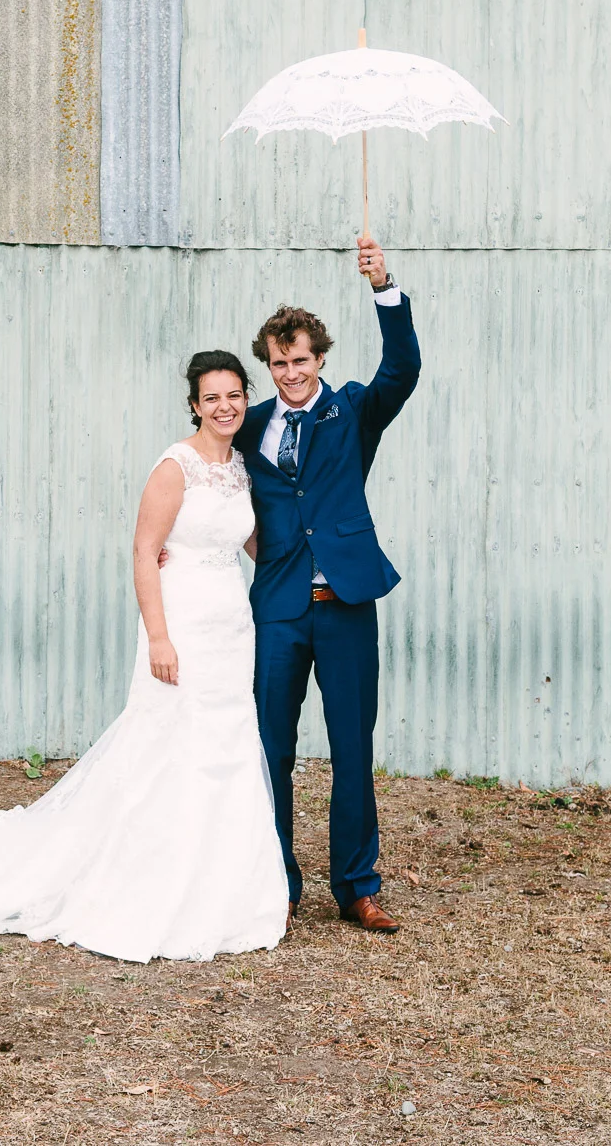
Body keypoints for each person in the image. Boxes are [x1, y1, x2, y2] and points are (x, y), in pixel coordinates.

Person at [0, 353, 288, 963]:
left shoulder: (240, 468)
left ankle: (223, 888)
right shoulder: (174, 467)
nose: (225, 407)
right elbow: (143, 550)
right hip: (180, 625)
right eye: (212, 398)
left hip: (231, 627)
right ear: (194, 405)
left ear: (245, 398)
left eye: (234, 395)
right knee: (169, 746)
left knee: (224, 748)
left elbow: (252, 542)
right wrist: (158, 636)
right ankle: (153, 881)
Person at [234, 235, 420, 934]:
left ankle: (357, 888)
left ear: (320, 359)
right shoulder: (248, 426)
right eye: (279, 363)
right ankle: (276, 882)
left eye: (301, 360)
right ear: (268, 365)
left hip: (345, 604)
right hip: (278, 610)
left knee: (352, 749)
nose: (290, 373)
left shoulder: (352, 412)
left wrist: (383, 286)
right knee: (270, 750)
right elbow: (214, 489)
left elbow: (402, 368)